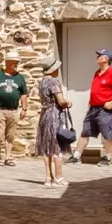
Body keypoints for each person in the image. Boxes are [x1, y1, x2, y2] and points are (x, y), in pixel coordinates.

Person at [77, 48, 112, 165]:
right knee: (85, 132)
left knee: (107, 134)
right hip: (93, 108)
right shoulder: (97, 73)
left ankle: (107, 157)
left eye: (100, 55)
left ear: (105, 59)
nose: (97, 57)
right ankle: (76, 156)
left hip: (105, 110)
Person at [35, 57, 72, 186]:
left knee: (46, 146)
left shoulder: (42, 82)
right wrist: (68, 103)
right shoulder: (54, 82)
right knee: (57, 146)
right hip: (54, 114)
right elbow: (60, 101)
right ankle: (59, 177)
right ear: (53, 69)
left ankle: (48, 177)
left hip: (44, 114)